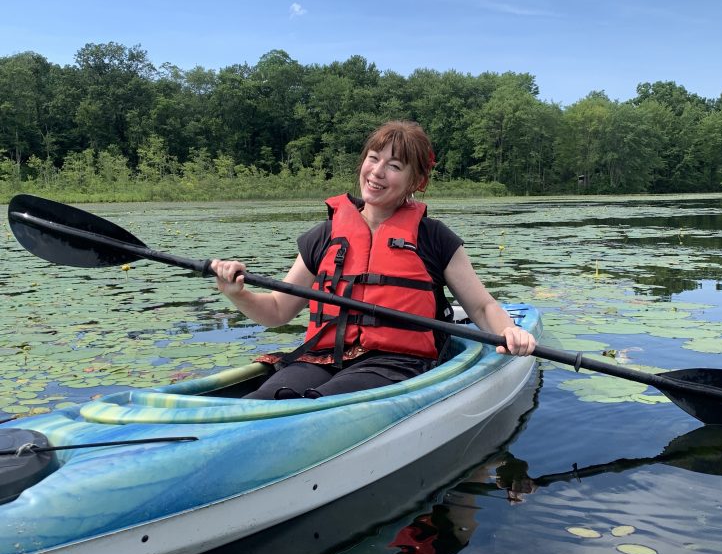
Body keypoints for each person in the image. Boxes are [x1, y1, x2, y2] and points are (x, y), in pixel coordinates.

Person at [210, 120, 536, 399]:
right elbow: (277, 311)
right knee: (265, 398)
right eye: (373, 158)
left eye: (394, 166)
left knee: (321, 402)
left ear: (416, 182)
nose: (377, 172)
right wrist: (237, 292)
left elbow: (481, 307)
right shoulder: (323, 236)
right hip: (320, 358)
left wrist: (509, 332)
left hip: (395, 363)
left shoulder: (434, 238)